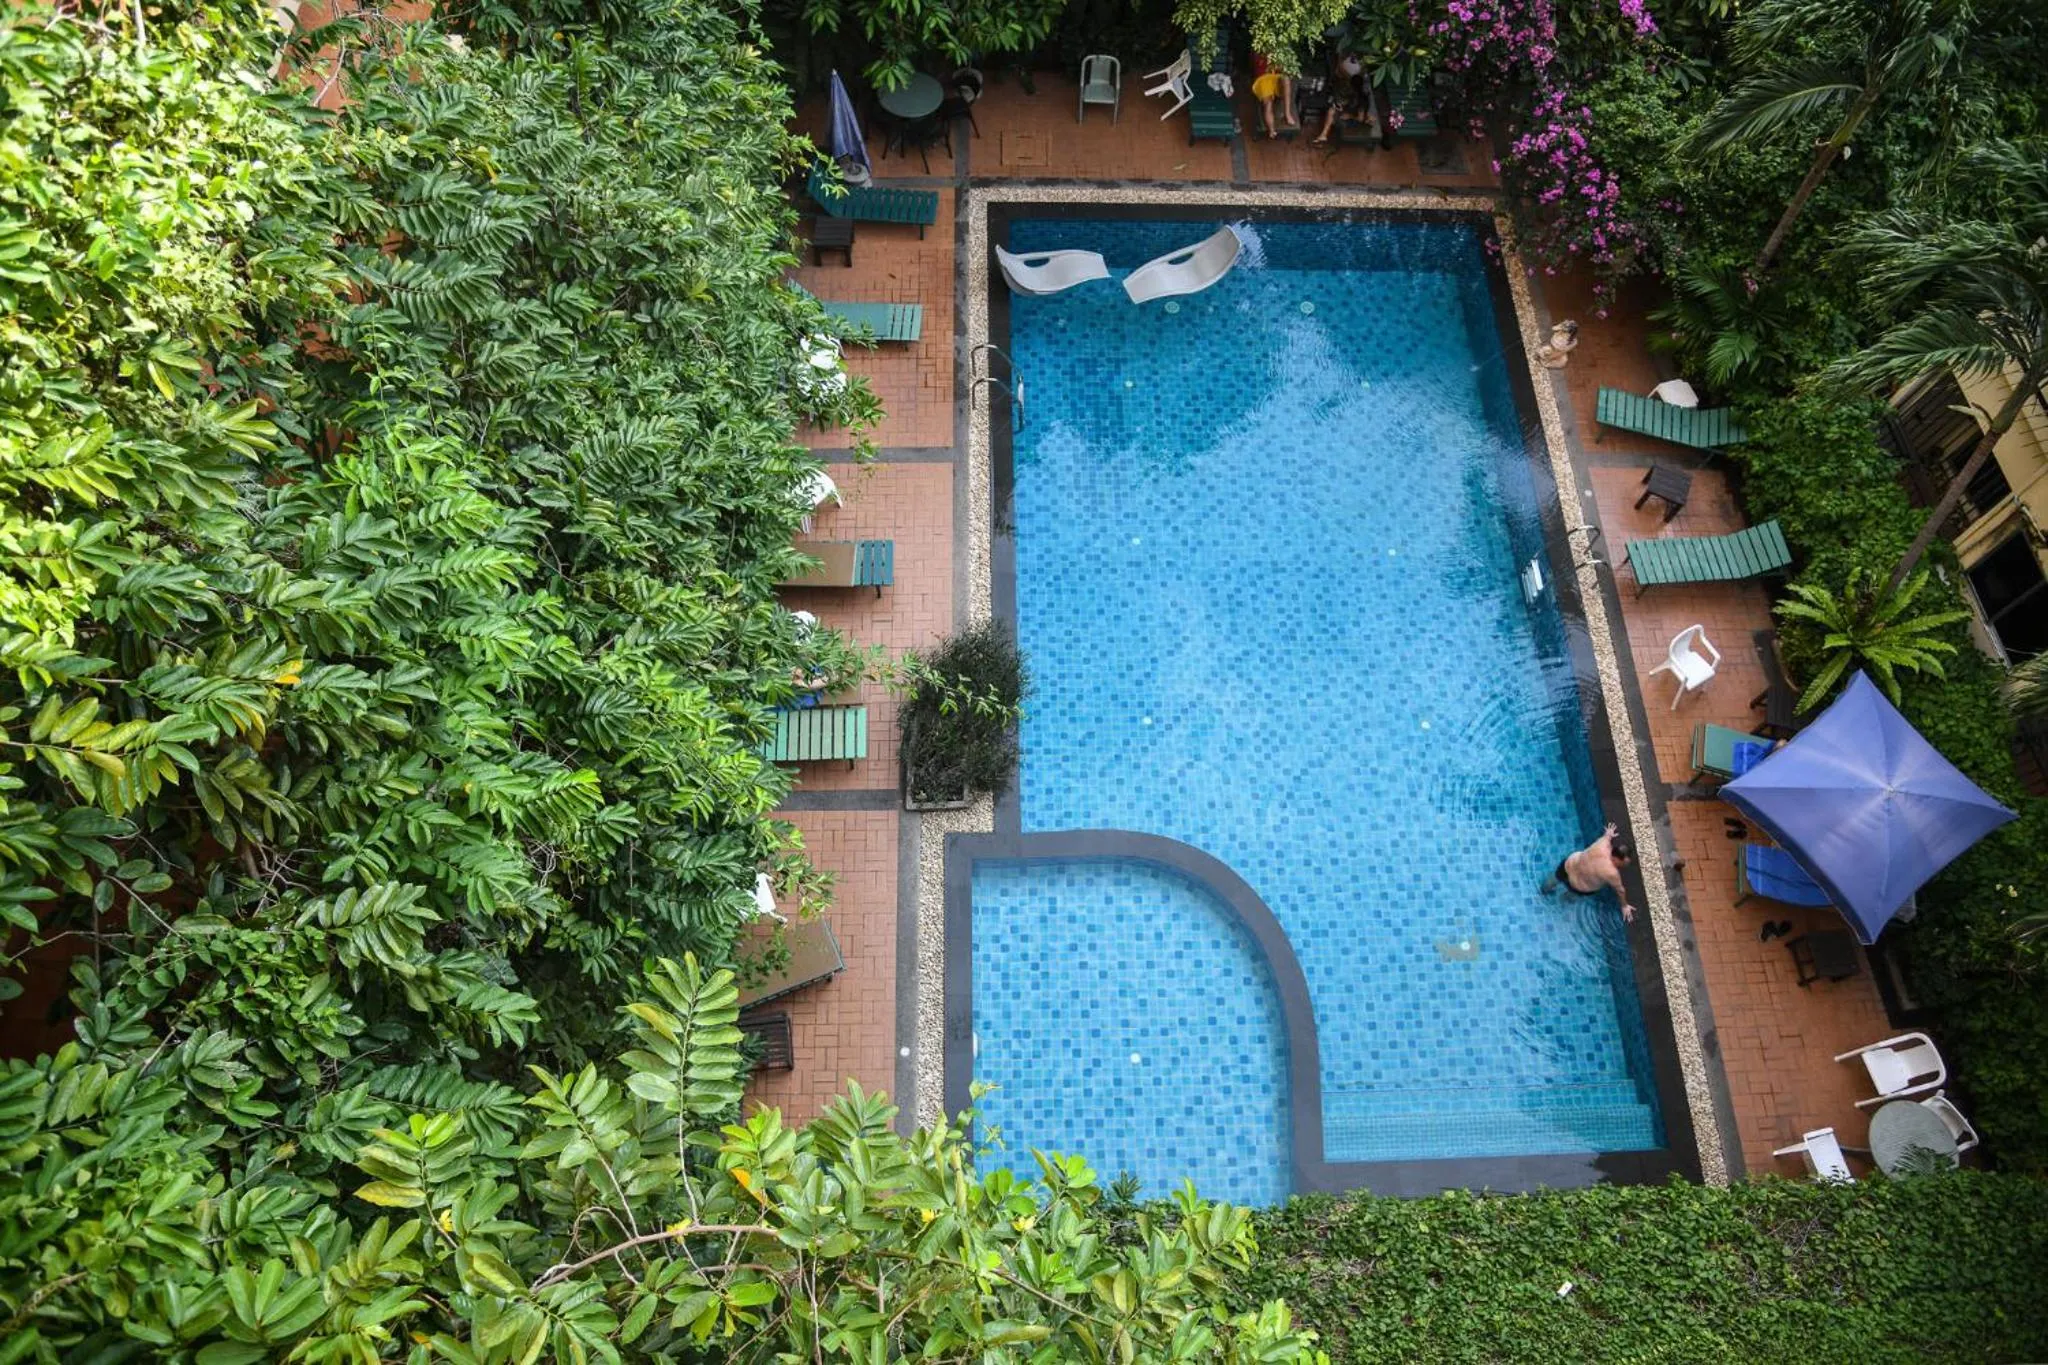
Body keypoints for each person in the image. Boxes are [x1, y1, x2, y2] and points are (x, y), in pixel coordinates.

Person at [1542, 822, 1636, 922]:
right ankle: (1561, 903)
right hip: (1578, 887)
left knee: (1555, 878)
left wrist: (1609, 833)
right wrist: (1624, 906)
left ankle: (1544, 890)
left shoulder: (1603, 844)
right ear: (1617, 859)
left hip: (1567, 866)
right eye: (1624, 863)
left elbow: (1607, 836)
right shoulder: (1612, 873)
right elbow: (1620, 891)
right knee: (1570, 897)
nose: (1625, 866)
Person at [1250, 53, 1296, 138]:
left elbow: (1281, 68)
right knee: (1268, 104)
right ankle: (1272, 130)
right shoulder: (1257, 52)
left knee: (1286, 78)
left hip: (1274, 78)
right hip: (1262, 80)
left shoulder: (1278, 51)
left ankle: (1287, 113)